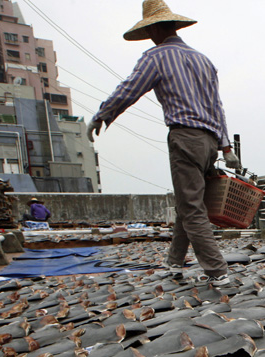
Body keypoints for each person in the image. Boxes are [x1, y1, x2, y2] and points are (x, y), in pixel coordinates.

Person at [86, 0, 239, 286]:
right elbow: (218, 107)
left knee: (192, 208)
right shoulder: (204, 60)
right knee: (188, 201)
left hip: (184, 136)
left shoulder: (155, 57)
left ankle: (218, 272)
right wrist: (226, 147)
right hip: (209, 143)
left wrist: (102, 114)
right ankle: (174, 263)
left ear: (155, 28)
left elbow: (129, 89)